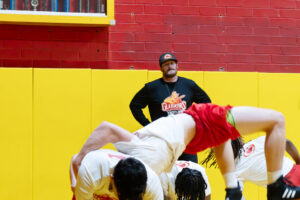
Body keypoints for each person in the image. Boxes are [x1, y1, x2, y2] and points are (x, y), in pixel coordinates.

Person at [72, 103, 300, 200]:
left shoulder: (140, 158)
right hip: (201, 120)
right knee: (276, 120)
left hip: (196, 130)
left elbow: (106, 128)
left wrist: (80, 157)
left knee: (224, 135)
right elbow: (106, 130)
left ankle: (235, 190)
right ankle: (273, 188)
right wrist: (79, 159)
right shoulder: (145, 171)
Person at [130, 52, 211, 163]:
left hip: (185, 138)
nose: (170, 66)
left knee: (190, 172)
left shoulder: (189, 85)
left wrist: (196, 121)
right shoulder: (152, 87)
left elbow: (206, 102)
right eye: (166, 64)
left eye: (172, 63)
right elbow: (135, 105)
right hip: (162, 139)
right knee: (163, 174)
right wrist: (148, 125)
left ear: (177, 66)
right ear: (161, 68)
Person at [203, 136, 300, 199]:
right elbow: (287, 142)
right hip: (296, 169)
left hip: (286, 185)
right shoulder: (257, 141)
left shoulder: (235, 171)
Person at [70, 149, 163, 200]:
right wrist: (75, 183)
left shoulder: (153, 185)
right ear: (112, 179)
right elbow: (74, 158)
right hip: (93, 190)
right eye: (122, 197)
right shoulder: (91, 170)